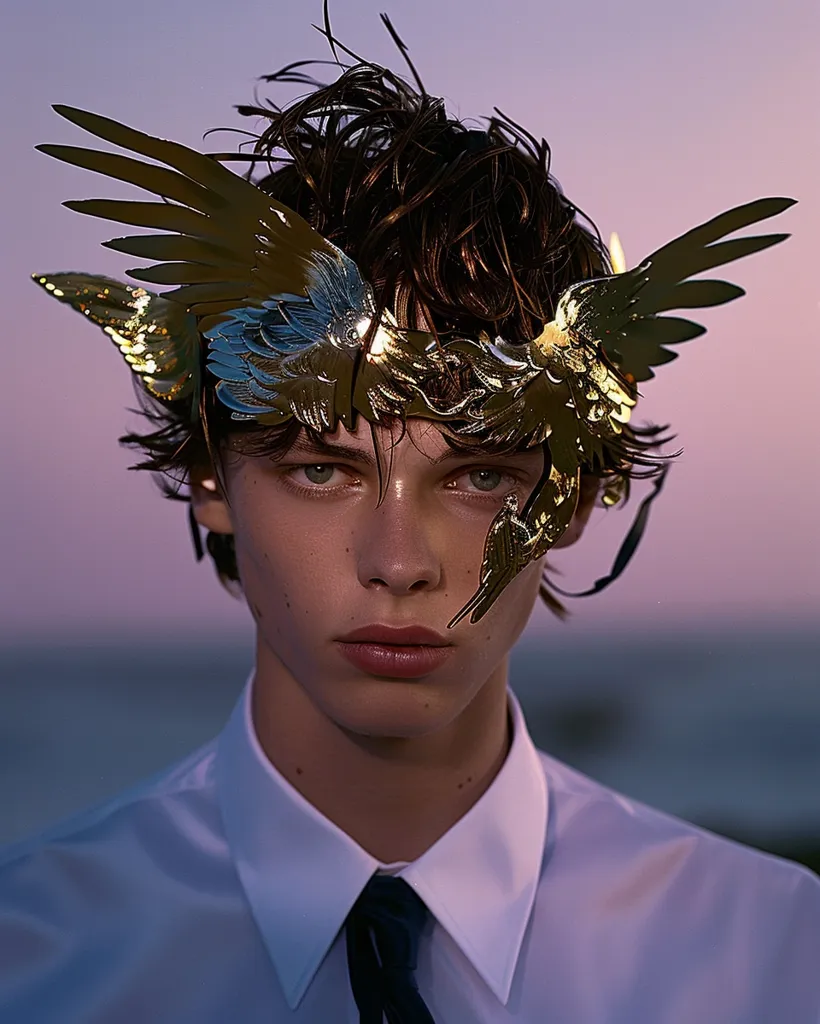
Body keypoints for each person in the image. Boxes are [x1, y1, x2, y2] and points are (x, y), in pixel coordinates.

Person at [2, 16, 818, 1024]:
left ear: (566, 496)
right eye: (318, 468)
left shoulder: (773, 954)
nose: (397, 561)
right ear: (212, 475)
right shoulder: (31, 962)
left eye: (478, 474)